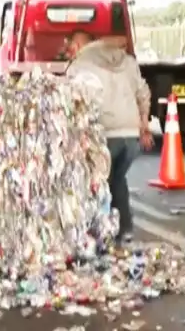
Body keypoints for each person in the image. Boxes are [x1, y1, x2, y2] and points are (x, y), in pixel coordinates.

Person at [65, 29, 153, 244]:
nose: (68, 53)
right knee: (117, 179)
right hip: (131, 134)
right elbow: (143, 92)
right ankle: (125, 229)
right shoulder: (128, 61)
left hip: (105, 132)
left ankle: (101, 233)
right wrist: (144, 125)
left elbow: (74, 102)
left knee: (98, 183)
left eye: (69, 48)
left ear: (77, 46)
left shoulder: (79, 65)